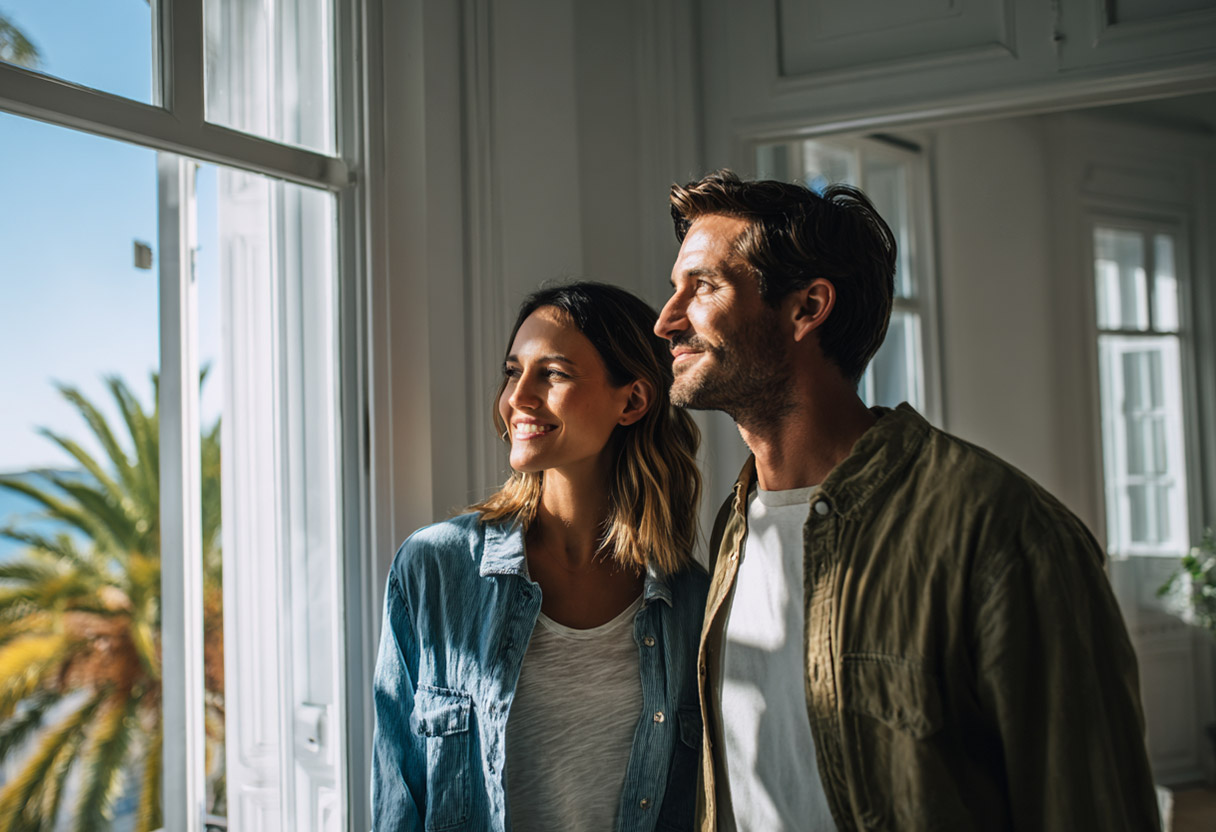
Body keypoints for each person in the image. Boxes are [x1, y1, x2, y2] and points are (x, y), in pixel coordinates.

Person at [653, 170, 1160, 831]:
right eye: (674, 291)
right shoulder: (735, 524)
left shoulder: (1002, 532)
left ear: (807, 308)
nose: (666, 320)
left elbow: (1092, 807)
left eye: (704, 288)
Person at [371, 281, 708, 832]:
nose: (517, 398)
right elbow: (398, 795)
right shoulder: (433, 569)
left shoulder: (693, 600)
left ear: (633, 401)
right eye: (512, 371)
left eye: (552, 373)